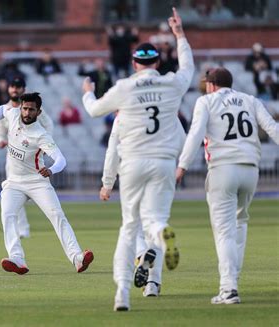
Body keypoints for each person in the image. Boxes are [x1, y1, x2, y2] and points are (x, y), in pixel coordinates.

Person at [81, 8, 193, 311]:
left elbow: (95, 114)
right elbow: (188, 68)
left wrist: (88, 93)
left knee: (129, 227)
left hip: (133, 163)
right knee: (155, 221)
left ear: (134, 64)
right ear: (157, 62)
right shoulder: (171, 84)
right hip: (164, 162)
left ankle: (122, 295)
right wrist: (179, 34)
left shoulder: (125, 89)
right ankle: (156, 265)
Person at [175, 67, 279, 305]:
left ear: (211, 85)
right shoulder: (250, 100)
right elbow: (272, 128)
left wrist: (182, 166)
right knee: (240, 222)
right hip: (250, 169)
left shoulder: (206, 102)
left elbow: (195, 134)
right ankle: (233, 279)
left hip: (223, 169)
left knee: (224, 230)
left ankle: (228, 288)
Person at [0, 92, 93, 275]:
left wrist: (52, 169)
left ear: (38, 112)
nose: (27, 113)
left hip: (37, 181)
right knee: (7, 214)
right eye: (25, 108)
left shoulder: (41, 134)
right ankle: (17, 259)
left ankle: (77, 258)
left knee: (57, 215)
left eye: (31, 110)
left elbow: (61, 160)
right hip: (14, 182)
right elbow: (1, 109)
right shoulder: (12, 115)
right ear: (21, 107)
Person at [99, 113, 157, 296]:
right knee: (155, 226)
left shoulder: (123, 116)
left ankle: (140, 255)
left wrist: (107, 183)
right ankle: (153, 285)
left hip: (132, 172)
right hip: (158, 170)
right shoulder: (159, 108)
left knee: (132, 224)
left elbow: (113, 151)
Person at [0, 77, 54, 239]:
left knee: (38, 192)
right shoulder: (7, 110)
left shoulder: (32, 108)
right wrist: (0, 141)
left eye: (18, 87)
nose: (15, 89)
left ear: (23, 89)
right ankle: (22, 229)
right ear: (8, 89)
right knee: (13, 195)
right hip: (13, 157)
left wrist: (45, 144)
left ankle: (27, 227)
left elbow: (49, 126)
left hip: (32, 155)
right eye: (13, 86)